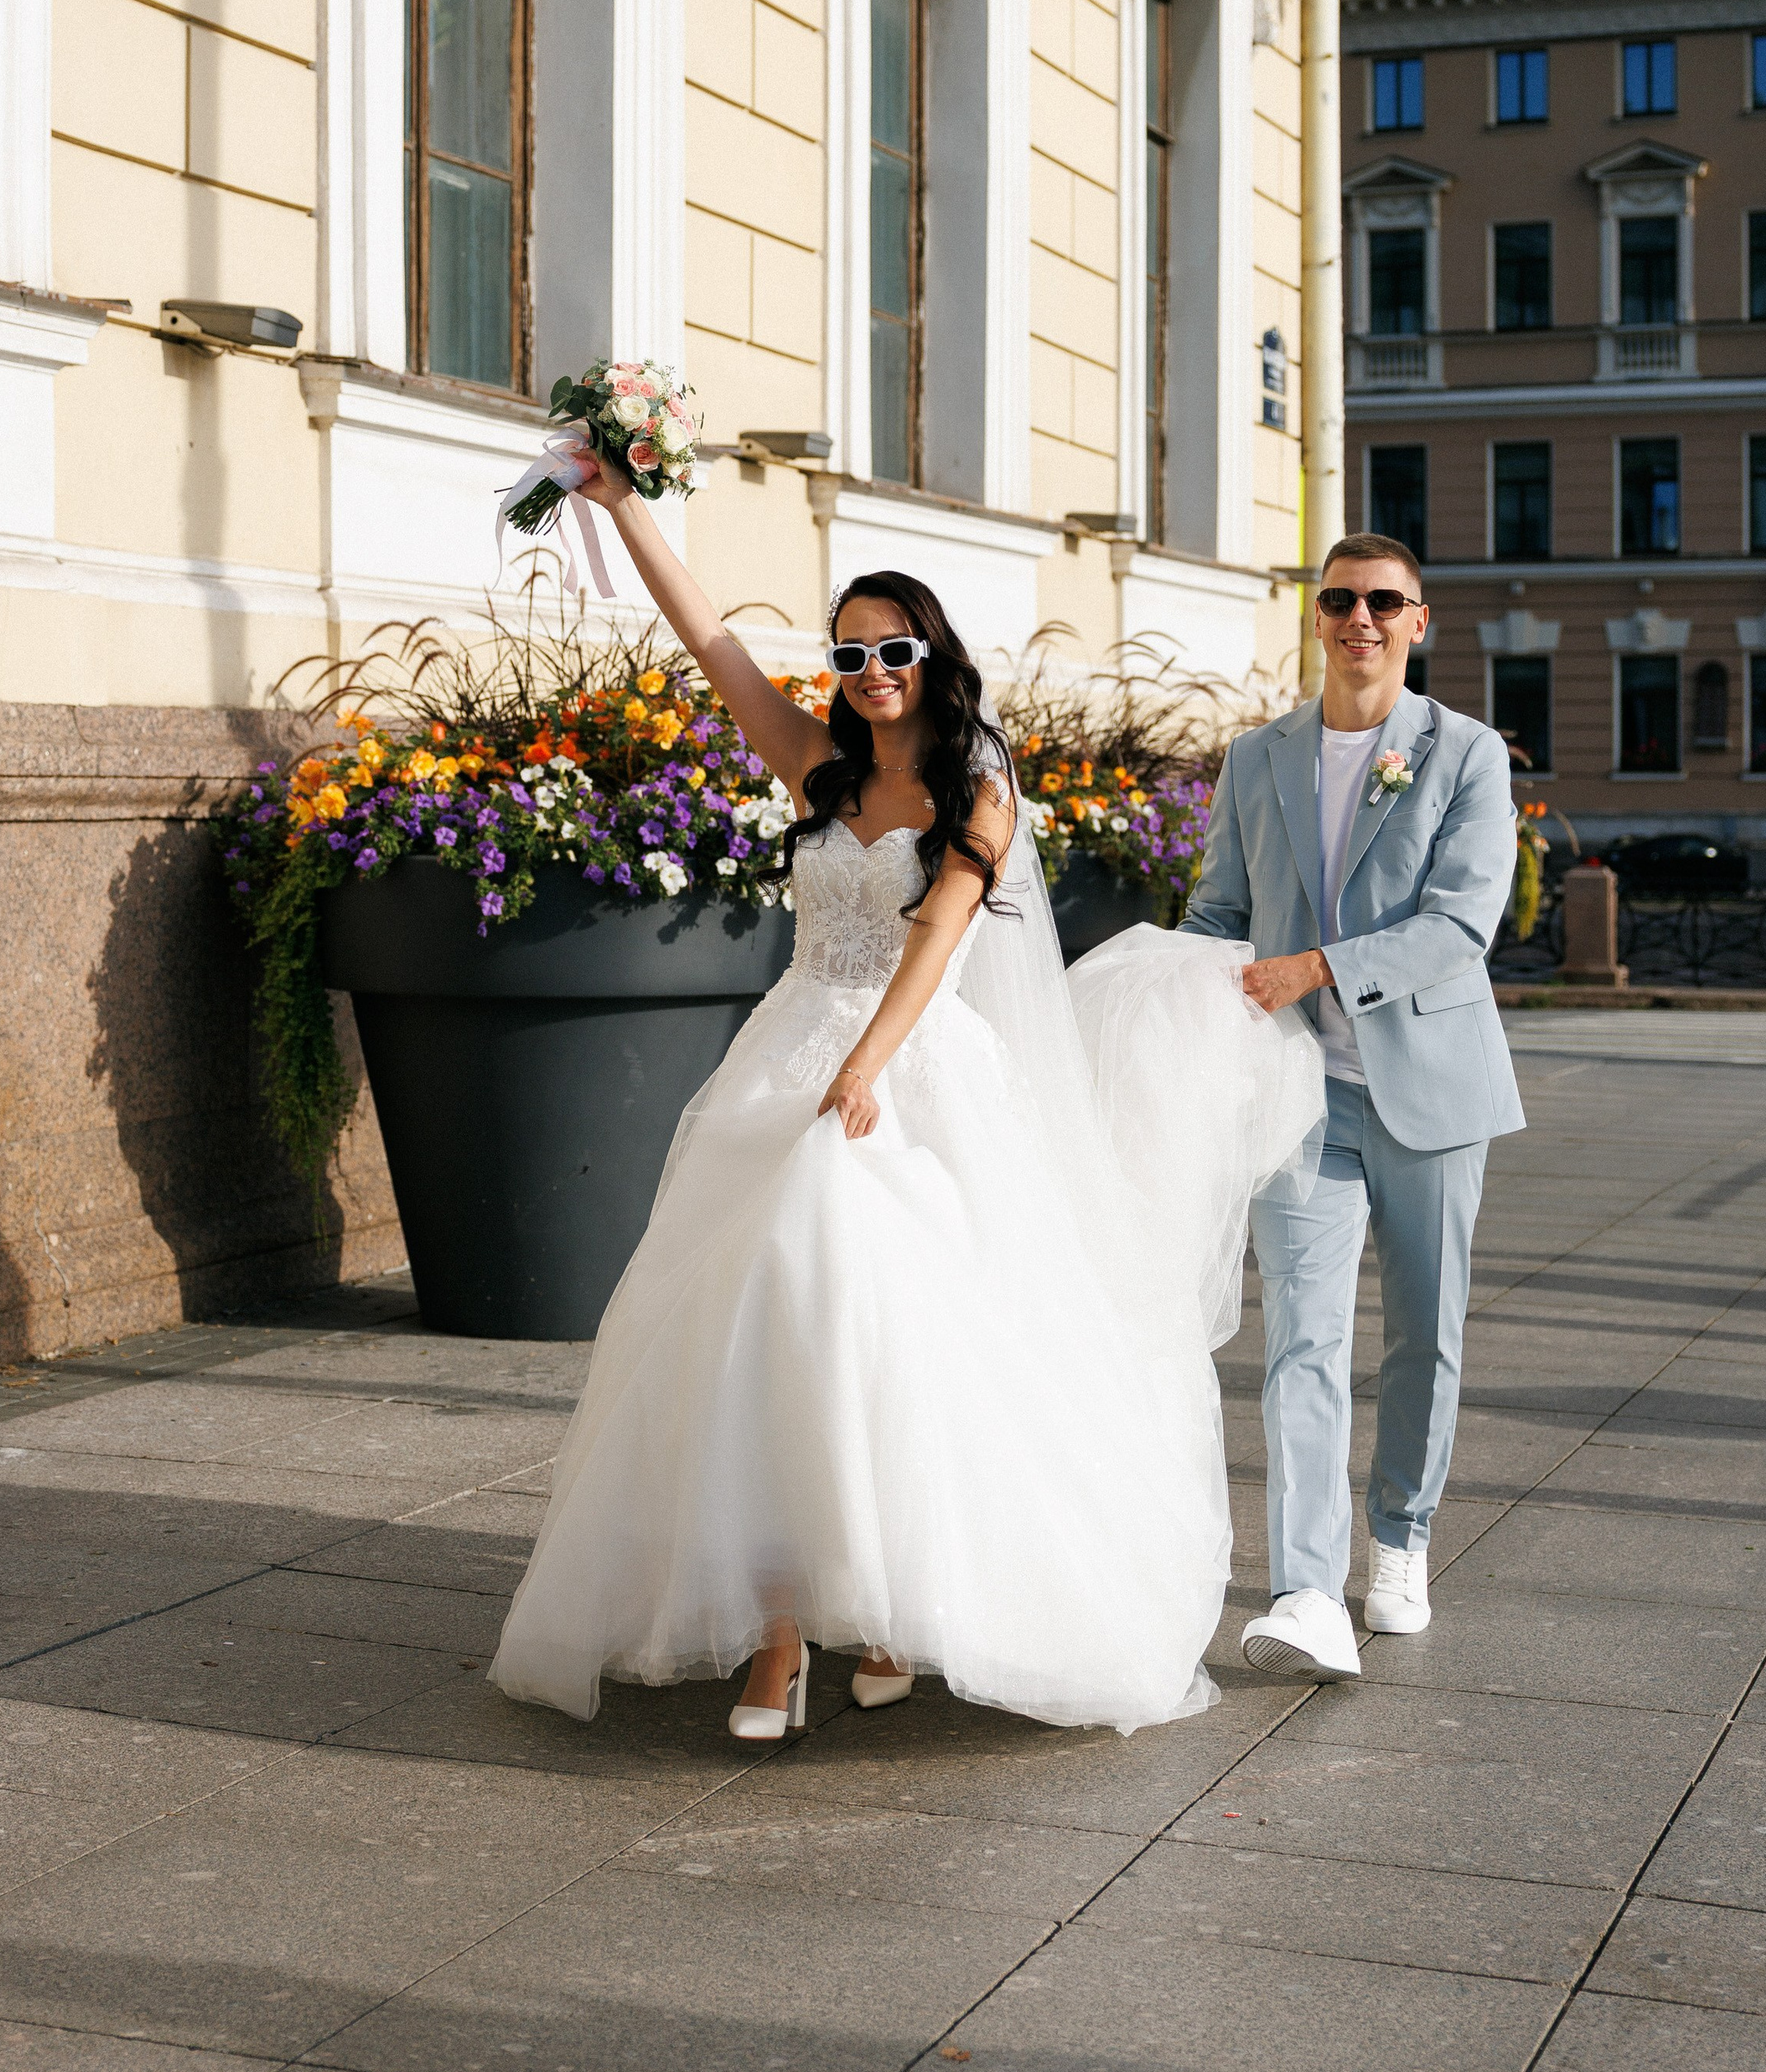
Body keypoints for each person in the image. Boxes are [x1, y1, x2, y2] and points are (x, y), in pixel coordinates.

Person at [489, 462, 1319, 1738]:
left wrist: (867, 1066)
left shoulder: (977, 787)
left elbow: (937, 936)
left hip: (911, 1072)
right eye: (853, 649)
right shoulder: (816, 763)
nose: (873, 666)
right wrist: (619, 506)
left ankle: (879, 1612)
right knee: (761, 1320)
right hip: (787, 1053)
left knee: (887, 1322)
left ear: (932, 655)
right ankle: (781, 1631)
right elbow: (708, 636)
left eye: (896, 646)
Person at [1177, 533, 1522, 1680]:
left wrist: (1318, 967)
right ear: (1316, 617)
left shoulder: (1466, 754)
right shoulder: (1255, 757)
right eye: (1339, 600)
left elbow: (1461, 924)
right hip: (1299, 1093)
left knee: (1425, 1334)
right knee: (1303, 1344)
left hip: (1432, 1088)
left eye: (1383, 601)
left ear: (1419, 621)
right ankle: (1308, 1591)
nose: (1359, 619)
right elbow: (1220, 910)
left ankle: (1403, 1538)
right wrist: (1172, 986)